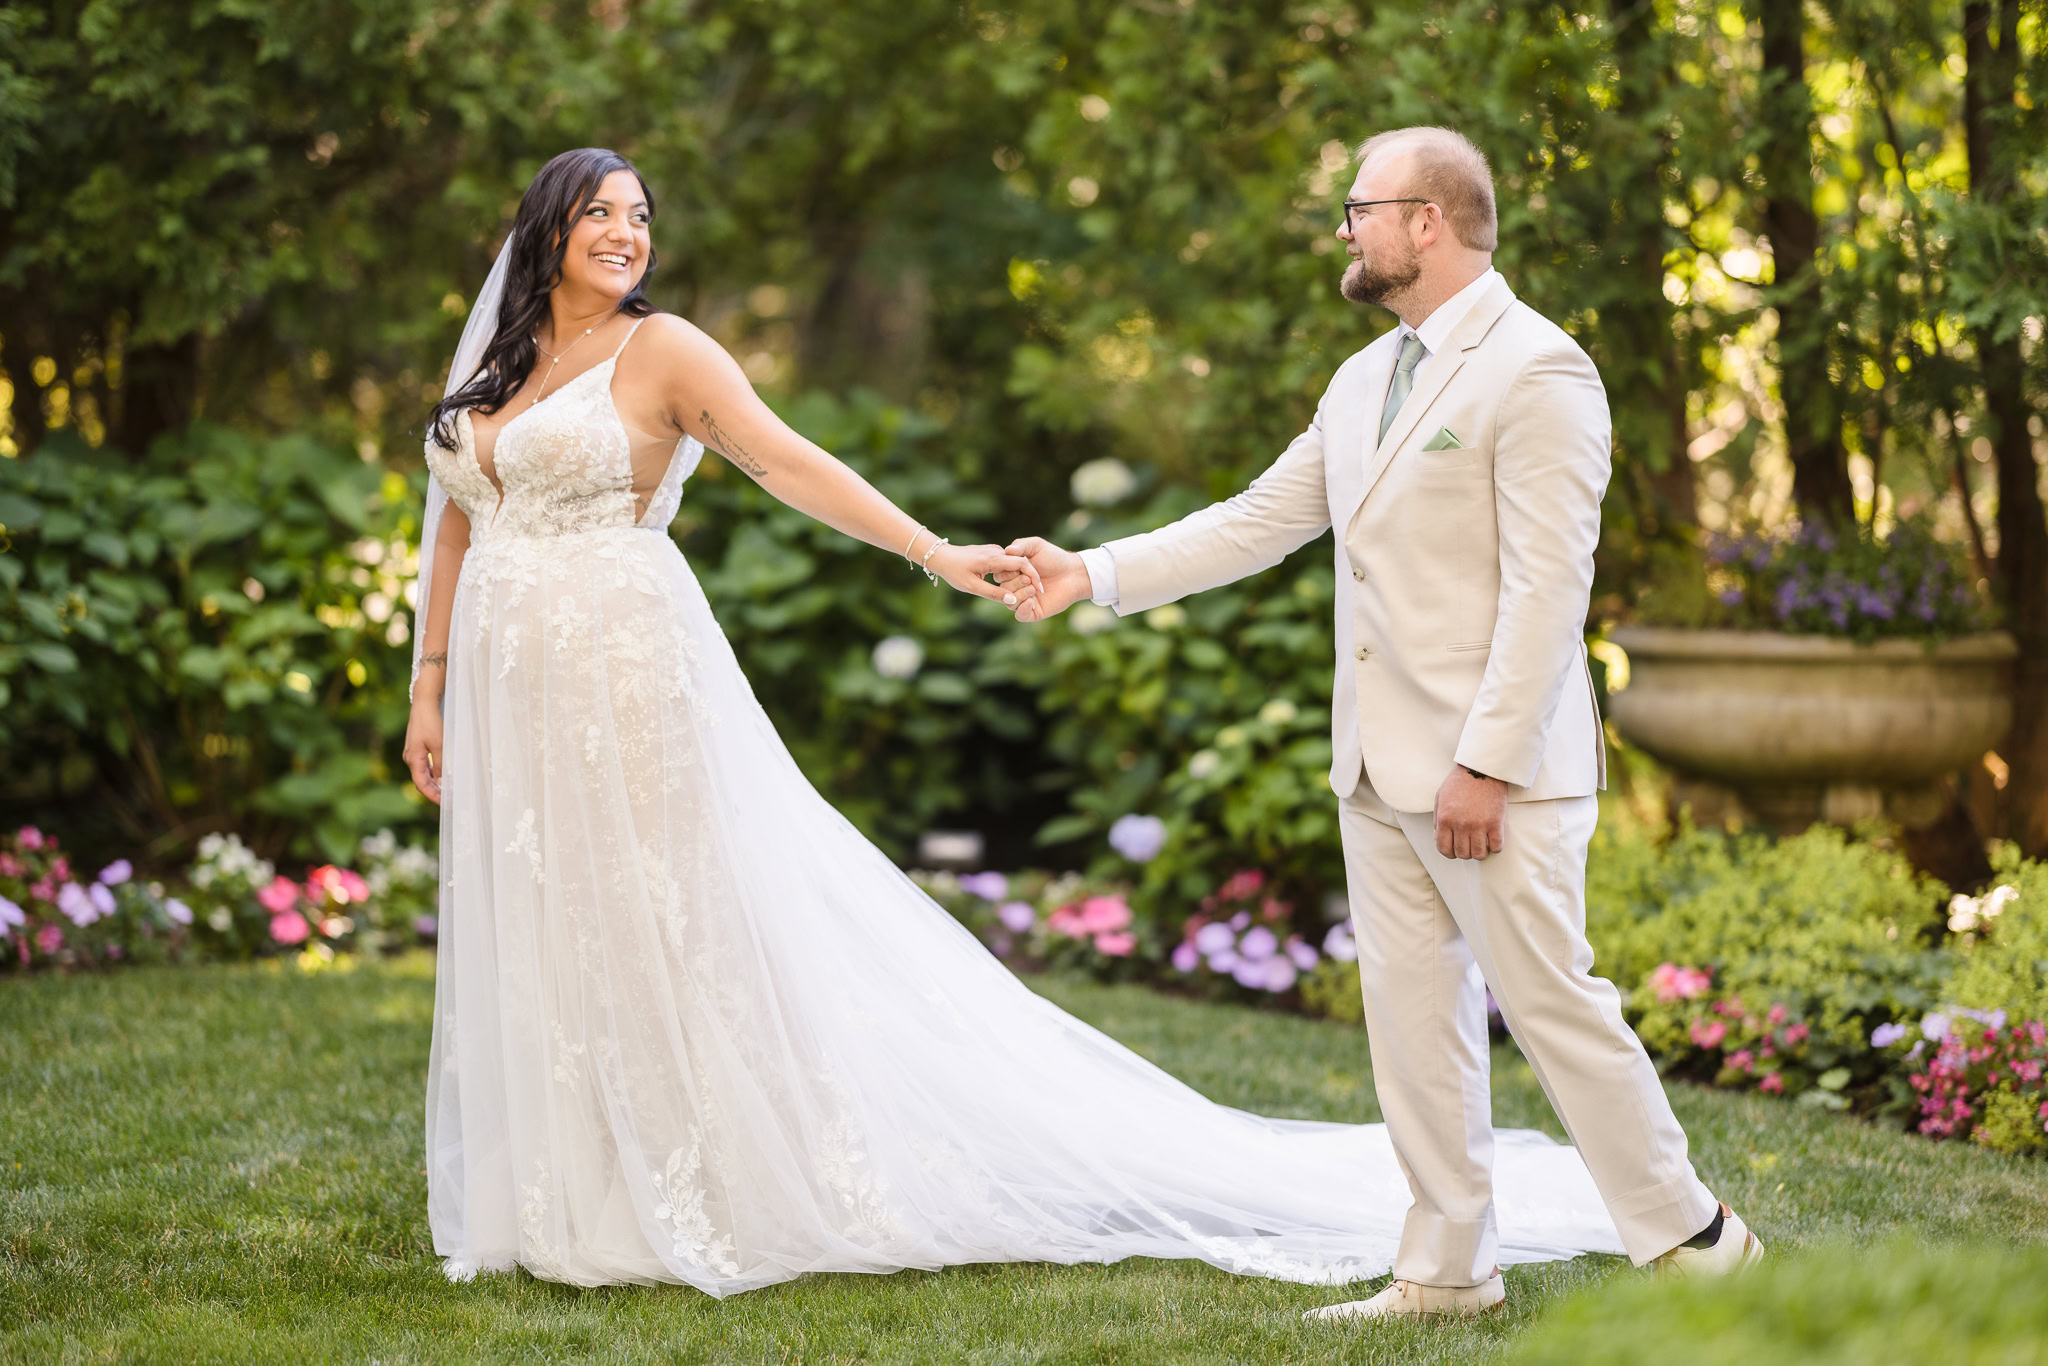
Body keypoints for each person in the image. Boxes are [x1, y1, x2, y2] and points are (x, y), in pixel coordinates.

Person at [400, 145, 1626, 1298]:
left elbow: (786, 460)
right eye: (602, 211)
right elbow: (460, 519)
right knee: (549, 906)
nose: (627, 232)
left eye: (641, 215)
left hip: (622, 664)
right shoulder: (497, 374)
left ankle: (691, 1182)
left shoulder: (660, 349)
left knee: (661, 911)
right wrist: (429, 686)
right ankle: (563, 1184)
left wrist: (937, 552)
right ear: (544, 228)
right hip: (509, 684)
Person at [1000, 126, 1762, 1322]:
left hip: (1487, 775)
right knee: (1413, 1032)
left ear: (1428, 221)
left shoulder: (1540, 370)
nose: (1343, 228)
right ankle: (1446, 1271)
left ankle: (1698, 1242)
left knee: (1554, 1006)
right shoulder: (1367, 376)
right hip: (1374, 765)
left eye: (1361, 207)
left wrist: (1485, 763)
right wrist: (1087, 573)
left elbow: (1547, 593)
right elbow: (1257, 521)